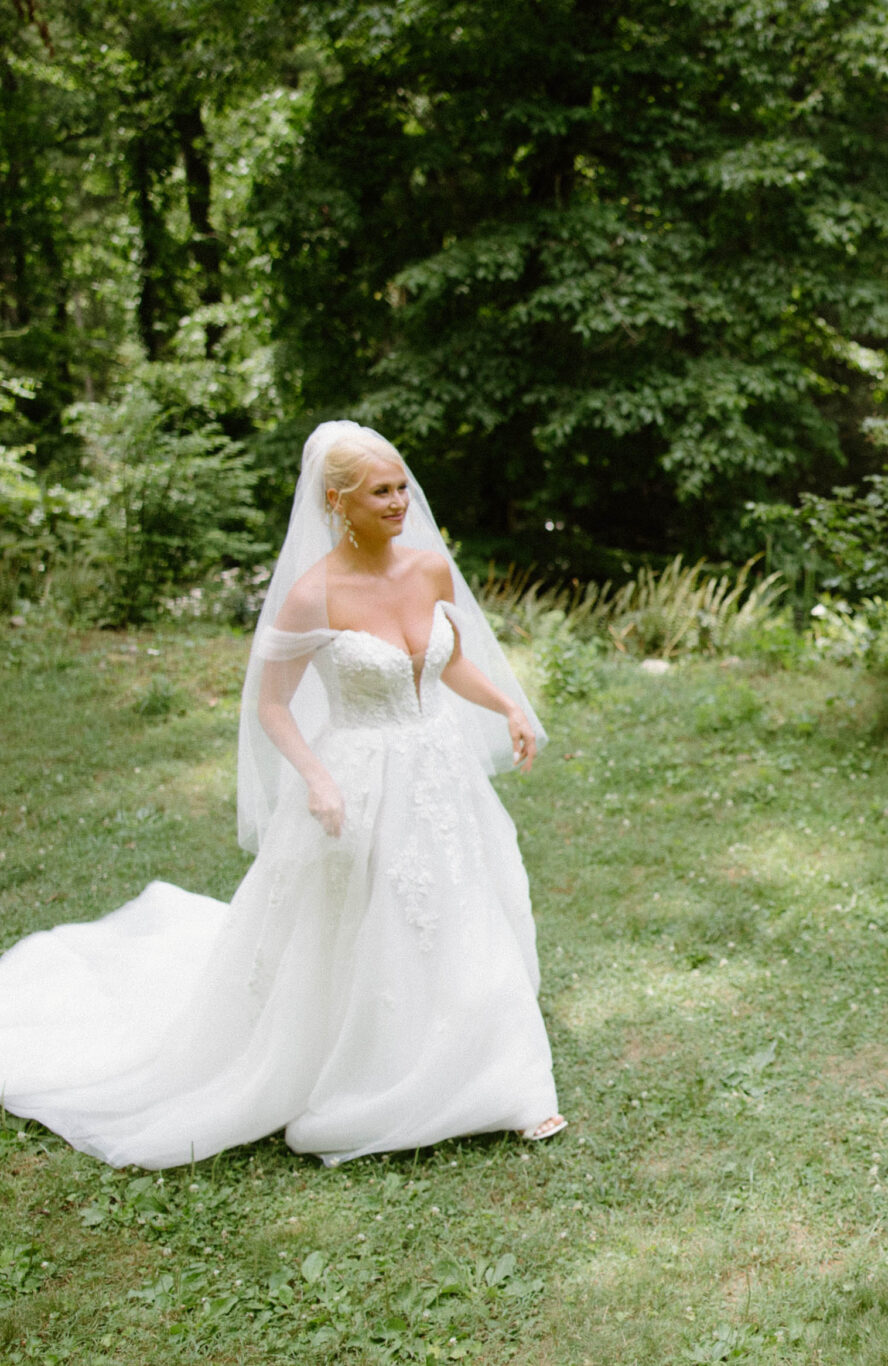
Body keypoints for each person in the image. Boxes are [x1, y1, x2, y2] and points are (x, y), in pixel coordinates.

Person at [0, 421, 565, 1168]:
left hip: (438, 770)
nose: (400, 501)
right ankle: (371, 1064)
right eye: (381, 491)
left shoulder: (429, 570)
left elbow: (447, 662)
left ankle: (509, 1082)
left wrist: (509, 707)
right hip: (357, 776)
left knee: (462, 910)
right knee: (372, 924)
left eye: (402, 486)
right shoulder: (312, 593)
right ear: (338, 502)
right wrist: (319, 779)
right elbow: (272, 706)